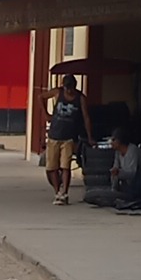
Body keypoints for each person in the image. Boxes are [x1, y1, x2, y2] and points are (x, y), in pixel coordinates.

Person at [43, 69, 91, 202]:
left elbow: (86, 117)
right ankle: (57, 191)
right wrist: (46, 114)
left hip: (69, 137)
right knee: (52, 167)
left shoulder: (80, 98)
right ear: (63, 87)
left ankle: (64, 192)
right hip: (54, 135)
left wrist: (89, 136)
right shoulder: (57, 93)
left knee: (65, 166)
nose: (69, 91)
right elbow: (40, 97)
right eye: (67, 88)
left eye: (71, 88)